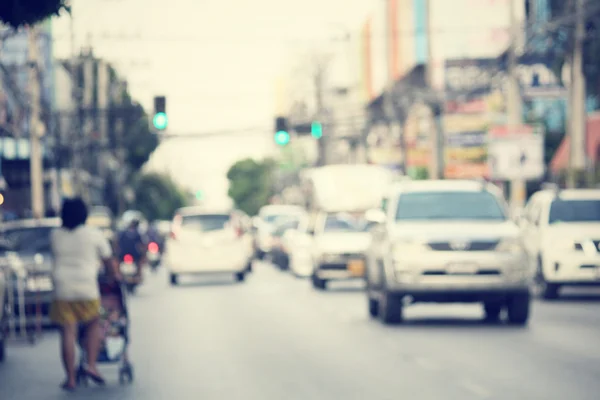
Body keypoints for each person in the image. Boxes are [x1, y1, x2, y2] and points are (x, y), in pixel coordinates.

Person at [49, 197, 120, 391]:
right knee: (93, 323)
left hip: (62, 289)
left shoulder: (55, 235)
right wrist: (114, 276)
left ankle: (70, 378)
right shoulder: (94, 235)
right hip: (87, 289)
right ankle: (91, 365)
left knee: (68, 332)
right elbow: (108, 261)